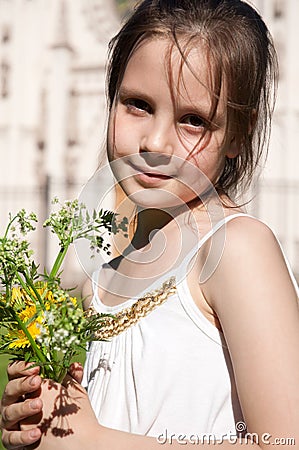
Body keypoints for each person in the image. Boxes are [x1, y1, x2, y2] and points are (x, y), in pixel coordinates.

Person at [1, 0, 299, 449]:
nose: (155, 143)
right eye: (137, 105)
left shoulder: (236, 249)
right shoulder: (105, 273)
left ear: (239, 133)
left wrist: (91, 443)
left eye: (193, 120)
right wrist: (42, 423)